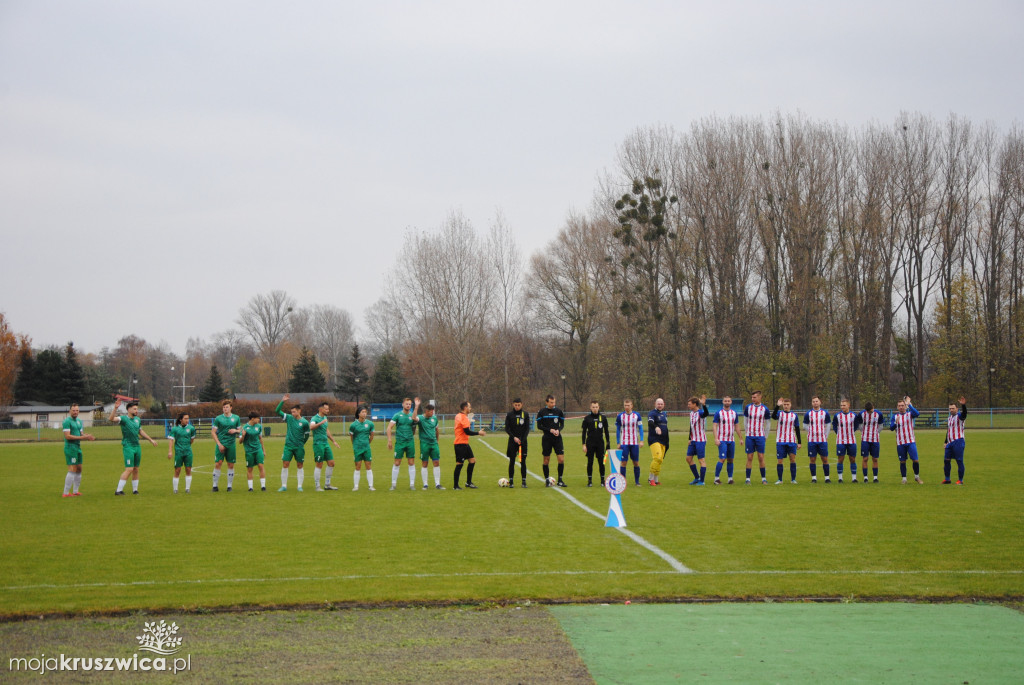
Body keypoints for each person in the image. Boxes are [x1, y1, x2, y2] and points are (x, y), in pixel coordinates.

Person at [108, 399, 158, 495]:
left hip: (137, 446)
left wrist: (150, 440)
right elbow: (111, 419)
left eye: (137, 409)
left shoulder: (137, 419)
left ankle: (135, 490)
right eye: (135, 409)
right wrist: (115, 408)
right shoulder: (123, 419)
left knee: (136, 469)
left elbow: (140, 431)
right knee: (129, 469)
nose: (136, 411)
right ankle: (118, 490)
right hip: (128, 446)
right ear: (129, 409)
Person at [276, 394, 310, 492]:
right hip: (288, 446)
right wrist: (282, 401)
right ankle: (284, 486)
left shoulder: (304, 422)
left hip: (299, 447)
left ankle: (299, 486)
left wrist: (302, 443)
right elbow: (277, 411)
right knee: (285, 464)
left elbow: (307, 435)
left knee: (300, 465)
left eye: (294, 411)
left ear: (299, 411)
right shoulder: (289, 418)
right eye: (291, 412)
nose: (292, 413)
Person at [61, 402, 95, 497]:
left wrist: (87, 436)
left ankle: (75, 491)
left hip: (77, 447)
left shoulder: (79, 421)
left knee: (79, 469)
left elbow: (81, 434)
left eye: (77, 410)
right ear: (70, 411)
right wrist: (83, 438)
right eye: (73, 410)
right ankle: (66, 493)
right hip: (70, 448)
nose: (75, 412)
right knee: (72, 469)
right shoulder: (67, 421)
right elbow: (67, 436)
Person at [387, 397, 419, 491]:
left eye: (410, 404)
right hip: (400, 443)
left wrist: (410, 436)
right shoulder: (397, 415)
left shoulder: (412, 416)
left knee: (411, 462)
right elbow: (389, 428)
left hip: (410, 442)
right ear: (403, 404)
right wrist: (389, 440)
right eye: (407, 404)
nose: (408, 405)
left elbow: (414, 429)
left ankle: (412, 484)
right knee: (397, 463)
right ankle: (393, 485)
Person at [309, 401, 342, 491]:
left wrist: (333, 441)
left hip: (325, 444)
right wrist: (320, 423)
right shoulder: (314, 418)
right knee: (319, 464)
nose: (328, 410)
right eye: (326, 409)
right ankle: (317, 486)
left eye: (328, 408)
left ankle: (327, 485)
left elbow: (326, 430)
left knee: (331, 463)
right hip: (318, 444)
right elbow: (311, 427)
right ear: (321, 409)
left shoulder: (325, 418)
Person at [453, 401, 487, 490]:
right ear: (465, 408)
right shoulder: (463, 417)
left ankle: (468, 483)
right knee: (459, 464)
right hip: (460, 444)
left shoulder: (458, 415)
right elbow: (467, 431)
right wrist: (478, 433)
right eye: (469, 407)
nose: (470, 408)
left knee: (472, 461)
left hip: (464, 443)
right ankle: (455, 486)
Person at [890, 396, 923, 484]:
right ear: (897, 407)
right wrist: (895, 422)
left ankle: (917, 477)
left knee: (915, 460)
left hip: (910, 441)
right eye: (899, 406)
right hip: (900, 443)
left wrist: (909, 405)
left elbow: (917, 413)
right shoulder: (895, 416)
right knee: (902, 461)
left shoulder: (909, 414)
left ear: (905, 406)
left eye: (902, 405)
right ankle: (904, 479)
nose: (901, 407)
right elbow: (891, 428)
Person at [211, 399, 242, 492]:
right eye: (224, 407)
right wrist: (219, 444)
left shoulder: (236, 418)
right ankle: (215, 486)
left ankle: (229, 486)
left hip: (231, 445)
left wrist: (235, 431)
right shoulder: (218, 418)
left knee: (230, 465)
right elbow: (213, 432)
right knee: (218, 463)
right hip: (221, 444)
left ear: (231, 408)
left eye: (227, 407)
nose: (225, 409)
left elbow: (240, 430)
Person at [536, 394, 566, 487]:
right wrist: (549, 430)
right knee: (546, 460)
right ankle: (547, 480)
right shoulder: (542, 412)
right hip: (546, 439)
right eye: (551, 402)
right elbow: (539, 426)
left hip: (557, 439)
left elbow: (562, 424)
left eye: (554, 402)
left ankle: (560, 480)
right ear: (547, 402)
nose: (553, 404)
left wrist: (558, 430)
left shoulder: (558, 411)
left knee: (561, 459)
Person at [414, 402, 444, 489]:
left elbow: (436, 430)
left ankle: (437, 484)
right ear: (426, 411)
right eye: (431, 412)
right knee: (425, 463)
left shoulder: (434, 419)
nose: (432, 413)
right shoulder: (420, 418)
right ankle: (425, 484)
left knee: (436, 462)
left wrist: (437, 440)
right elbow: (413, 418)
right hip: (424, 444)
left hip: (434, 444)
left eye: (433, 412)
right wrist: (416, 407)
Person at [772, 398, 802, 484]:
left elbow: (797, 429)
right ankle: (780, 479)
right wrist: (777, 405)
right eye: (784, 404)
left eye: (787, 404)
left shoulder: (794, 416)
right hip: (780, 441)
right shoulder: (779, 413)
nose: (786, 406)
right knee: (780, 460)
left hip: (791, 441)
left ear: (790, 405)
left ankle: (793, 479)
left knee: (792, 459)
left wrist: (799, 442)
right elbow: (773, 416)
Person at [581, 400, 610, 487]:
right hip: (590, 443)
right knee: (590, 462)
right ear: (590, 408)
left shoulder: (603, 418)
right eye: (593, 407)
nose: (595, 409)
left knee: (602, 462)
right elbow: (583, 432)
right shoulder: (587, 418)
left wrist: (608, 443)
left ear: (599, 407)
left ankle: (602, 481)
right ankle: (589, 481)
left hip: (600, 443)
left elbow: (607, 432)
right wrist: (583, 444)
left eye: (596, 407)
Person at [803, 396, 831, 483]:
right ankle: (814, 478)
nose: (815, 403)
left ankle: (827, 478)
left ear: (820, 402)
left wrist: (825, 435)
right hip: (812, 440)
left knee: (825, 458)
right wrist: (811, 431)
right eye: (813, 401)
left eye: (816, 401)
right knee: (812, 459)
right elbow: (805, 425)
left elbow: (828, 425)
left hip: (822, 440)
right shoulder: (808, 414)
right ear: (812, 403)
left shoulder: (825, 413)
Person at [743, 391, 770, 484]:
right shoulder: (748, 407)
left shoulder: (764, 409)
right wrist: (747, 432)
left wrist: (765, 436)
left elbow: (768, 423)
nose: (753, 399)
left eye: (754, 397)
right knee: (749, 457)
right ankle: (747, 479)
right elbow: (745, 421)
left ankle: (763, 479)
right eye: (752, 397)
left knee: (761, 457)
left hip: (760, 436)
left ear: (760, 397)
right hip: (750, 436)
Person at [615, 399, 644, 486]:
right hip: (624, 443)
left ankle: (637, 482)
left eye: (628, 405)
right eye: (625, 405)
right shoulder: (620, 416)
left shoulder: (637, 415)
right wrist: (618, 442)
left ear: (632, 406)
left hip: (634, 443)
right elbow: (617, 429)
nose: (627, 407)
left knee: (636, 462)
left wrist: (641, 440)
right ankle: (623, 482)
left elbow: (641, 428)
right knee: (624, 462)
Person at [167, 412, 196, 494]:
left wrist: (187, 446)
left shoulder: (191, 428)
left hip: (188, 452)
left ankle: (187, 488)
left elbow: (192, 439)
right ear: (180, 419)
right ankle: (175, 489)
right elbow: (171, 440)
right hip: (178, 452)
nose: (187, 420)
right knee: (177, 470)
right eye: (185, 418)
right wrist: (170, 451)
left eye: (188, 418)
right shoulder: (175, 429)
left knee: (188, 469)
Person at [855, 401, 884, 483]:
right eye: (868, 412)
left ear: (873, 407)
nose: (870, 413)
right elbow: (860, 425)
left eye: (871, 411)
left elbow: (881, 426)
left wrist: (875, 433)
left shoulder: (879, 414)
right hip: (865, 439)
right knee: (865, 458)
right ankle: (865, 477)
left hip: (875, 439)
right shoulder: (861, 414)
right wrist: (864, 433)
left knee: (875, 458)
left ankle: (875, 477)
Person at [504, 398, 530, 488]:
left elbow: (527, 429)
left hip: (522, 442)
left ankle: (524, 482)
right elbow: (507, 428)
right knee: (512, 461)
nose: (517, 406)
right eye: (515, 405)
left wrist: (522, 440)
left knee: (522, 461)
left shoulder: (525, 414)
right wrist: (513, 437)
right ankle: (511, 481)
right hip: (512, 442)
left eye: (519, 405)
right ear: (513, 405)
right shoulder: (509, 415)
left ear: (522, 404)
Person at [712, 396, 739, 485]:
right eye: (725, 401)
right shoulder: (719, 413)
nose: (727, 402)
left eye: (728, 401)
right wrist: (716, 438)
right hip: (722, 440)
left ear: (731, 402)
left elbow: (737, 426)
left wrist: (741, 438)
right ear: (723, 402)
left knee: (730, 460)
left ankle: (730, 479)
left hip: (731, 440)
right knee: (722, 459)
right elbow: (714, 426)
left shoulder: (734, 413)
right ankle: (716, 479)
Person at [238, 411, 267, 492]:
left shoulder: (258, 426)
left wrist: (263, 450)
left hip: (258, 449)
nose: (259, 420)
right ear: (253, 419)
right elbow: (240, 442)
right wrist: (243, 436)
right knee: (250, 469)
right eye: (258, 418)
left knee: (261, 466)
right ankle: (250, 488)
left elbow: (260, 439)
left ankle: (263, 487)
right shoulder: (244, 428)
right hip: (249, 451)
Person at [349, 405, 375, 491]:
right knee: (358, 466)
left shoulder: (370, 424)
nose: (364, 414)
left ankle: (371, 486)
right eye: (362, 412)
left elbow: (372, 435)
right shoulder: (353, 425)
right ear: (358, 413)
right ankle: (356, 486)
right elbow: (351, 437)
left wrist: (368, 443)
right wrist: (355, 445)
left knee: (368, 466)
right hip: (357, 448)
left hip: (366, 448)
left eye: (365, 412)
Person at [685, 395, 709, 486]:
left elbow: (706, 414)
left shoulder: (700, 412)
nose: (688, 406)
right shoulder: (691, 413)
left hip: (700, 440)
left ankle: (702, 481)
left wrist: (704, 405)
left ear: (695, 404)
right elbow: (691, 427)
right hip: (693, 440)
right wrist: (689, 438)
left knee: (701, 460)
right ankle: (697, 477)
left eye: (689, 404)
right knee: (688, 458)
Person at [832, 399, 858, 483]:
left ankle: (854, 478)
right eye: (841, 405)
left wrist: (850, 433)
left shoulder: (854, 415)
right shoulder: (837, 416)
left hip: (851, 441)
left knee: (852, 459)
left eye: (844, 405)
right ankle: (840, 478)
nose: (842, 407)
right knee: (840, 459)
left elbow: (856, 426)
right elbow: (835, 426)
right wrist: (838, 433)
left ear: (848, 405)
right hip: (840, 441)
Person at [943, 396, 968, 484]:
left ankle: (960, 480)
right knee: (946, 460)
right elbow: (948, 430)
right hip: (950, 443)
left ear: (957, 409)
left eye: (953, 408)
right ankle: (947, 479)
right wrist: (945, 442)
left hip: (958, 441)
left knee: (959, 460)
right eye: (950, 409)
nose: (951, 410)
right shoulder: (949, 418)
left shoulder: (959, 416)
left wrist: (964, 405)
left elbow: (964, 414)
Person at [647, 398, 669, 486]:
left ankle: (656, 479)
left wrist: (667, 441)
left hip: (664, 440)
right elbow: (650, 423)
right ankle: (650, 478)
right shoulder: (652, 413)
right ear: (655, 404)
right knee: (657, 458)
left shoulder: (664, 414)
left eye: (661, 404)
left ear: (664, 404)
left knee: (660, 460)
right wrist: (656, 427)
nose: (660, 405)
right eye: (658, 404)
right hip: (654, 439)